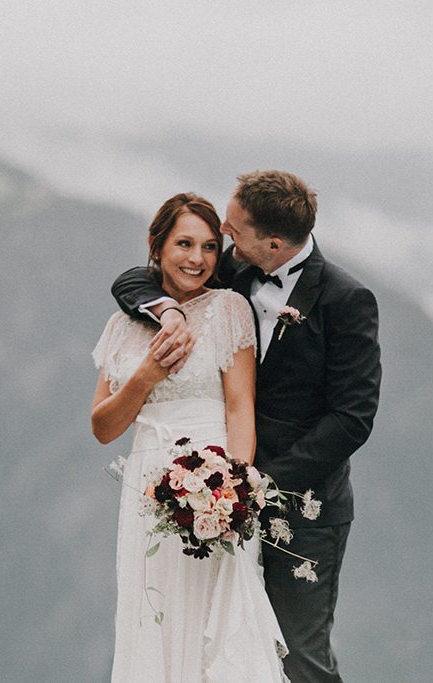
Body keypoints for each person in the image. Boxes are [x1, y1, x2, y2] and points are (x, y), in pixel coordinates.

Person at [112, 170, 382, 682]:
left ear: (274, 243)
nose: (223, 244)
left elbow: (352, 418)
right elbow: (133, 279)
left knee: (297, 655)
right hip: (208, 500)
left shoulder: (346, 300)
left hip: (301, 511)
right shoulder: (233, 271)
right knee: (219, 645)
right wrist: (167, 311)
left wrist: (259, 486)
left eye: (233, 232)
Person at [90, 193, 288, 682]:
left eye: (208, 246)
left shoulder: (228, 310)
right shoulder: (121, 324)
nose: (197, 259)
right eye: (183, 243)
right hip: (146, 489)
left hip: (214, 490)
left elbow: (241, 406)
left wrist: (235, 490)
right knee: (152, 618)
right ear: (156, 247)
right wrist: (145, 377)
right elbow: (102, 427)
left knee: (213, 624)